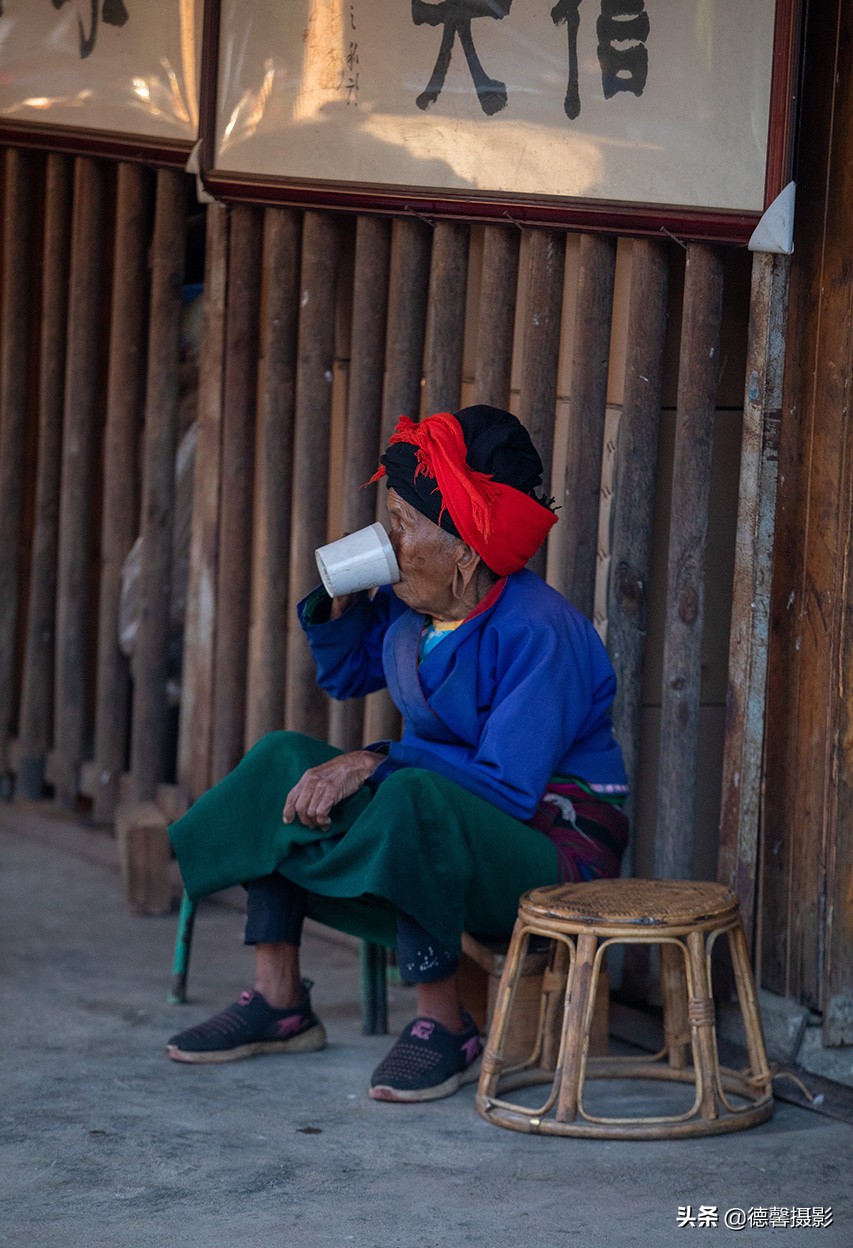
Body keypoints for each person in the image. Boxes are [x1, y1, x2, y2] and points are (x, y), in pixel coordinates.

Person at [166, 405, 628, 1102]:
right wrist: (339, 602)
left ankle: (445, 1028)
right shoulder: (417, 607)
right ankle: (278, 1000)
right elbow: (347, 676)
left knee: (411, 795)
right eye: (387, 518)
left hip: (550, 846)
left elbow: (505, 788)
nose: (387, 539)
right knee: (284, 761)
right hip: (451, 813)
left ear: (466, 550)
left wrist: (375, 760)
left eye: (403, 525)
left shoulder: (540, 631)